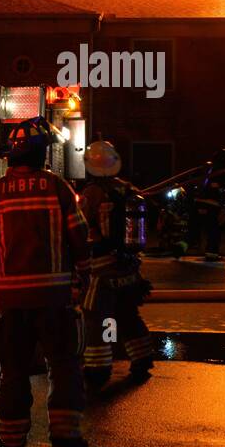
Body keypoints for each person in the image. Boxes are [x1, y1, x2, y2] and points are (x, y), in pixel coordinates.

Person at [0, 117, 91, 447]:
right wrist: (83, 277)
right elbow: (79, 238)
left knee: (12, 368)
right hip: (55, 301)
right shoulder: (58, 188)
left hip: (12, 301)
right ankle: (66, 434)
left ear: (12, 156)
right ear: (42, 155)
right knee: (64, 364)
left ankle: (10, 441)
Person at [79, 140, 154, 386]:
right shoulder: (128, 190)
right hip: (129, 267)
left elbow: (83, 230)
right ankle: (142, 359)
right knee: (128, 314)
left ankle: (98, 370)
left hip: (102, 269)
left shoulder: (91, 194)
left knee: (95, 317)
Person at [191, 147, 225, 261]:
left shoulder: (207, 169)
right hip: (212, 206)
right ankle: (212, 254)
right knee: (213, 230)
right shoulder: (223, 173)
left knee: (194, 229)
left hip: (197, 204)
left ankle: (182, 247)